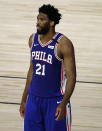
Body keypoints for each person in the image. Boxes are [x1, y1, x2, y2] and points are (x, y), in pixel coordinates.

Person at [19, 4, 76, 131]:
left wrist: (64, 102)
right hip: (33, 100)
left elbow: (71, 77)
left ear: (51, 23)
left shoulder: (63, 44)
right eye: (37, 19)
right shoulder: (33, 39)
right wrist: (24, 99)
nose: (37, 23)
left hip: (55, 101)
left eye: (42, 19)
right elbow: (32, 70)